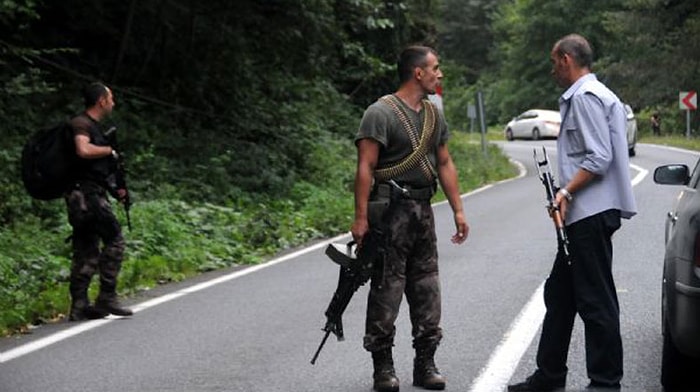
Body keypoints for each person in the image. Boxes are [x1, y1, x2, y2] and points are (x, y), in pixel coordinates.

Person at [508, 34, 637, 391]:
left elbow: (598, 157)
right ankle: (549, 376)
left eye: (554, 62)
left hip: (591, 213)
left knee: (596, 300)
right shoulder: (594, 95)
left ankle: (606, 382)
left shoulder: (585, 98)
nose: (553, 69)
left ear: (566, 59)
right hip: (585, 213)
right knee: (560, 296)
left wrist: (565, 191)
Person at [351, 45, 469, 392]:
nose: (440, 74)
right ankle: (383, 368)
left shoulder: (434, 116)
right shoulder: (380, 113)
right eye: (435, 68)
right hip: (389, 213)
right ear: (418, 73)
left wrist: (458, 209)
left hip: (422, 210)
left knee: (427, 287)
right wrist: (360, 218)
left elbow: (444, 162)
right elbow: (365, 166)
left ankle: (425, 363)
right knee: (387, 288)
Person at [65, 82, 133, 321]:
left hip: (81, 195)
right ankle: (107, 295)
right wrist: (108, 151)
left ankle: (80, 305)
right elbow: (83, 150)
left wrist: (117, 190)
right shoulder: (81, 124)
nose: (113, 103)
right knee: (114, 239)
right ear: (101, 101)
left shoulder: (90, 126)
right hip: (88, 196)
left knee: (86, 247)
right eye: (111, 98)